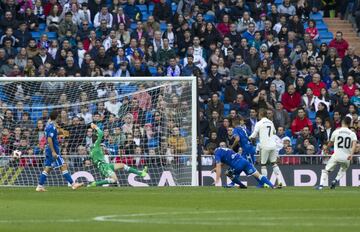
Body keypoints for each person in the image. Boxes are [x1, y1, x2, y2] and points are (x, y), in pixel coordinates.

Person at [36, 111, 83, 192]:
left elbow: (55, 132)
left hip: (48, 150)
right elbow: (49, 139)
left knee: (48, 168)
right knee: (63, 165)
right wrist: (53, 151)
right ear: (57, 117)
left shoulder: (49, 125)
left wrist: (62, 132)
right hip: (52, 150)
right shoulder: (51, 126)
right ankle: (73, 184)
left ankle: (39, 186)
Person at [317, 117, 357, 190]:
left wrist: (326, 149)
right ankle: (335, 180)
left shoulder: (336, 131)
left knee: (326, 170)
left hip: (336, 155)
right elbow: (354, 145)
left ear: (342, 122)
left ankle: (321, 185)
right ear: (349, 123)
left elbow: (330, 143)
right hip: (346, 157)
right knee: (343, 169)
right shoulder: (352, 133)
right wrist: (351, 155)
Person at [249, 109, 282, 187]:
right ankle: (280, 181)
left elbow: (253, 135)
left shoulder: (259, 123)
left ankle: (266, 183)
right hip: (273, 145)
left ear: (260, 114)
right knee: (274, 163)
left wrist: (249, 138)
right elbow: (274, 132)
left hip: (265, 145)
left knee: (263, 164)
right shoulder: (270, 122)